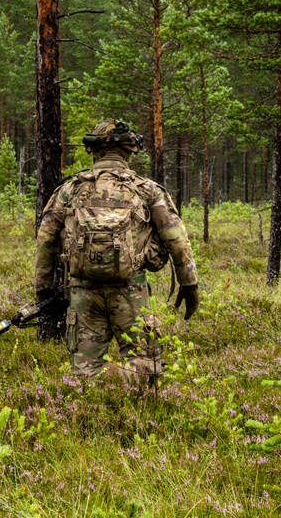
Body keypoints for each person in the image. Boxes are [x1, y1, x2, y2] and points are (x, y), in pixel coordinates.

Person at [34, 119, 199, 384]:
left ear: (95, 151)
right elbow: (177, 239)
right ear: (129, 152)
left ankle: (85, 419)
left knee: (84, 375)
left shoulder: (69, 190)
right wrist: (188, 283)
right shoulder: (146, 189)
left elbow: (44, 241)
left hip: (83, 294)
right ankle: (139, 418)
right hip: (131, 292)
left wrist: (42, 290)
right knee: (145, 368)